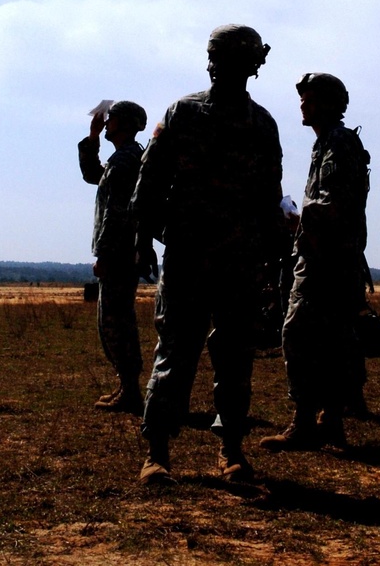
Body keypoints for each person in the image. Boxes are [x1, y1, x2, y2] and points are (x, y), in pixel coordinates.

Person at [131, 25, 282, 485]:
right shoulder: (182, 113)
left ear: (253, 67)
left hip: (240, 258)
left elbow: (268, 198)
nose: (237, 69)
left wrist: (271, 259)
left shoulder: (262, 124)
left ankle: (231, 449)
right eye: (229, 59)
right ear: (213, 62)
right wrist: (147, 241)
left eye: (245, 61)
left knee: (235, 356)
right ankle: (157, 452)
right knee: (176, 350)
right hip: (188, 254)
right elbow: (150, 183)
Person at [261, 72, 370, 453]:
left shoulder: (338, 144)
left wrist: (295, 219)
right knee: (330, 340)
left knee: (298, 334)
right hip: (327, 256)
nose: (302, 105)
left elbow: (335, 205)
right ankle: (329, 421)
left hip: (327, 259)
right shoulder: (328, 143)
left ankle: (308, 421)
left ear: (326, 102)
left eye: (308, 98)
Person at [78, 99, 149, 413]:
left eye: (112, 120)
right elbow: (94, 175)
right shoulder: (125, 158)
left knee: (116, 322)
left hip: (119, 253)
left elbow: (116, 214)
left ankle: (131, 390)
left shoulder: (126, 162)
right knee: (113, 320)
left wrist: (105, 253)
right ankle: (127, 386)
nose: (107, 123)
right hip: (121, 251)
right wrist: (92, 140)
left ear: (127, 124)